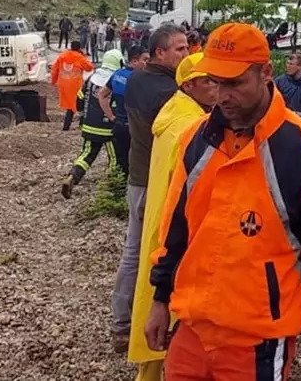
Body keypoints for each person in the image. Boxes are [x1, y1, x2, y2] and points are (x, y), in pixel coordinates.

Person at [144, 22, 301, 381]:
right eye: (214, 82)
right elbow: (175, 232)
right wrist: (160, 299)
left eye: (234, 83)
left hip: (257, 341)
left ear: (265, 72)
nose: (222, 95)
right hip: (192, 330)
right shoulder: (195, 141)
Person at [127, 52, 217, 381]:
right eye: (210, 80)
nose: (217, 87)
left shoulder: (175, 113)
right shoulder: (190, 127)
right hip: (178, 235)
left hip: (162, 226)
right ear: (190, 85)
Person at [110, 23, 189, 354]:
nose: (187, 53)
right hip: (152, 182)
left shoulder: (139, 78)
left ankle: (121, 321)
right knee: (150, 252)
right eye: (180, 49)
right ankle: (133, 324)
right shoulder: (167, 93)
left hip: (138, 176)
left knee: (133, 250)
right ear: (159, 53)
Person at [60, 49, 123, 199]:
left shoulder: (91, 80)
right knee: (114, 158)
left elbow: (79, 99)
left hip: (89, 126)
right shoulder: (115, 81)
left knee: (87, 154)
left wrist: (82, 117)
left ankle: (73, 176)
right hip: (109, 128)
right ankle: (111, 189)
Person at [97, 45, 149, 177]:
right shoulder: (140, 79)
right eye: (145, 60)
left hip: (119, 125)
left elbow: (102, 95)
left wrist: (111, 117)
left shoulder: (117, 74)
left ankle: (117, 191)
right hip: (136, 128)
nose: (148, 64)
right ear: (135, 61)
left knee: (121, 162)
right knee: (138, 165)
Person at [51, 41, 93, 131]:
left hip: (63, 83)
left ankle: (66, 126)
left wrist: (54, 81)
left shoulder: (62, 56)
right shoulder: (80, 57)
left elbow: (54, 69)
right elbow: (89, 67)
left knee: (70, 106)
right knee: (80, 104)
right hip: (75, 85)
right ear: (79, 48)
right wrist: (83, 56)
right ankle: (81, 124)